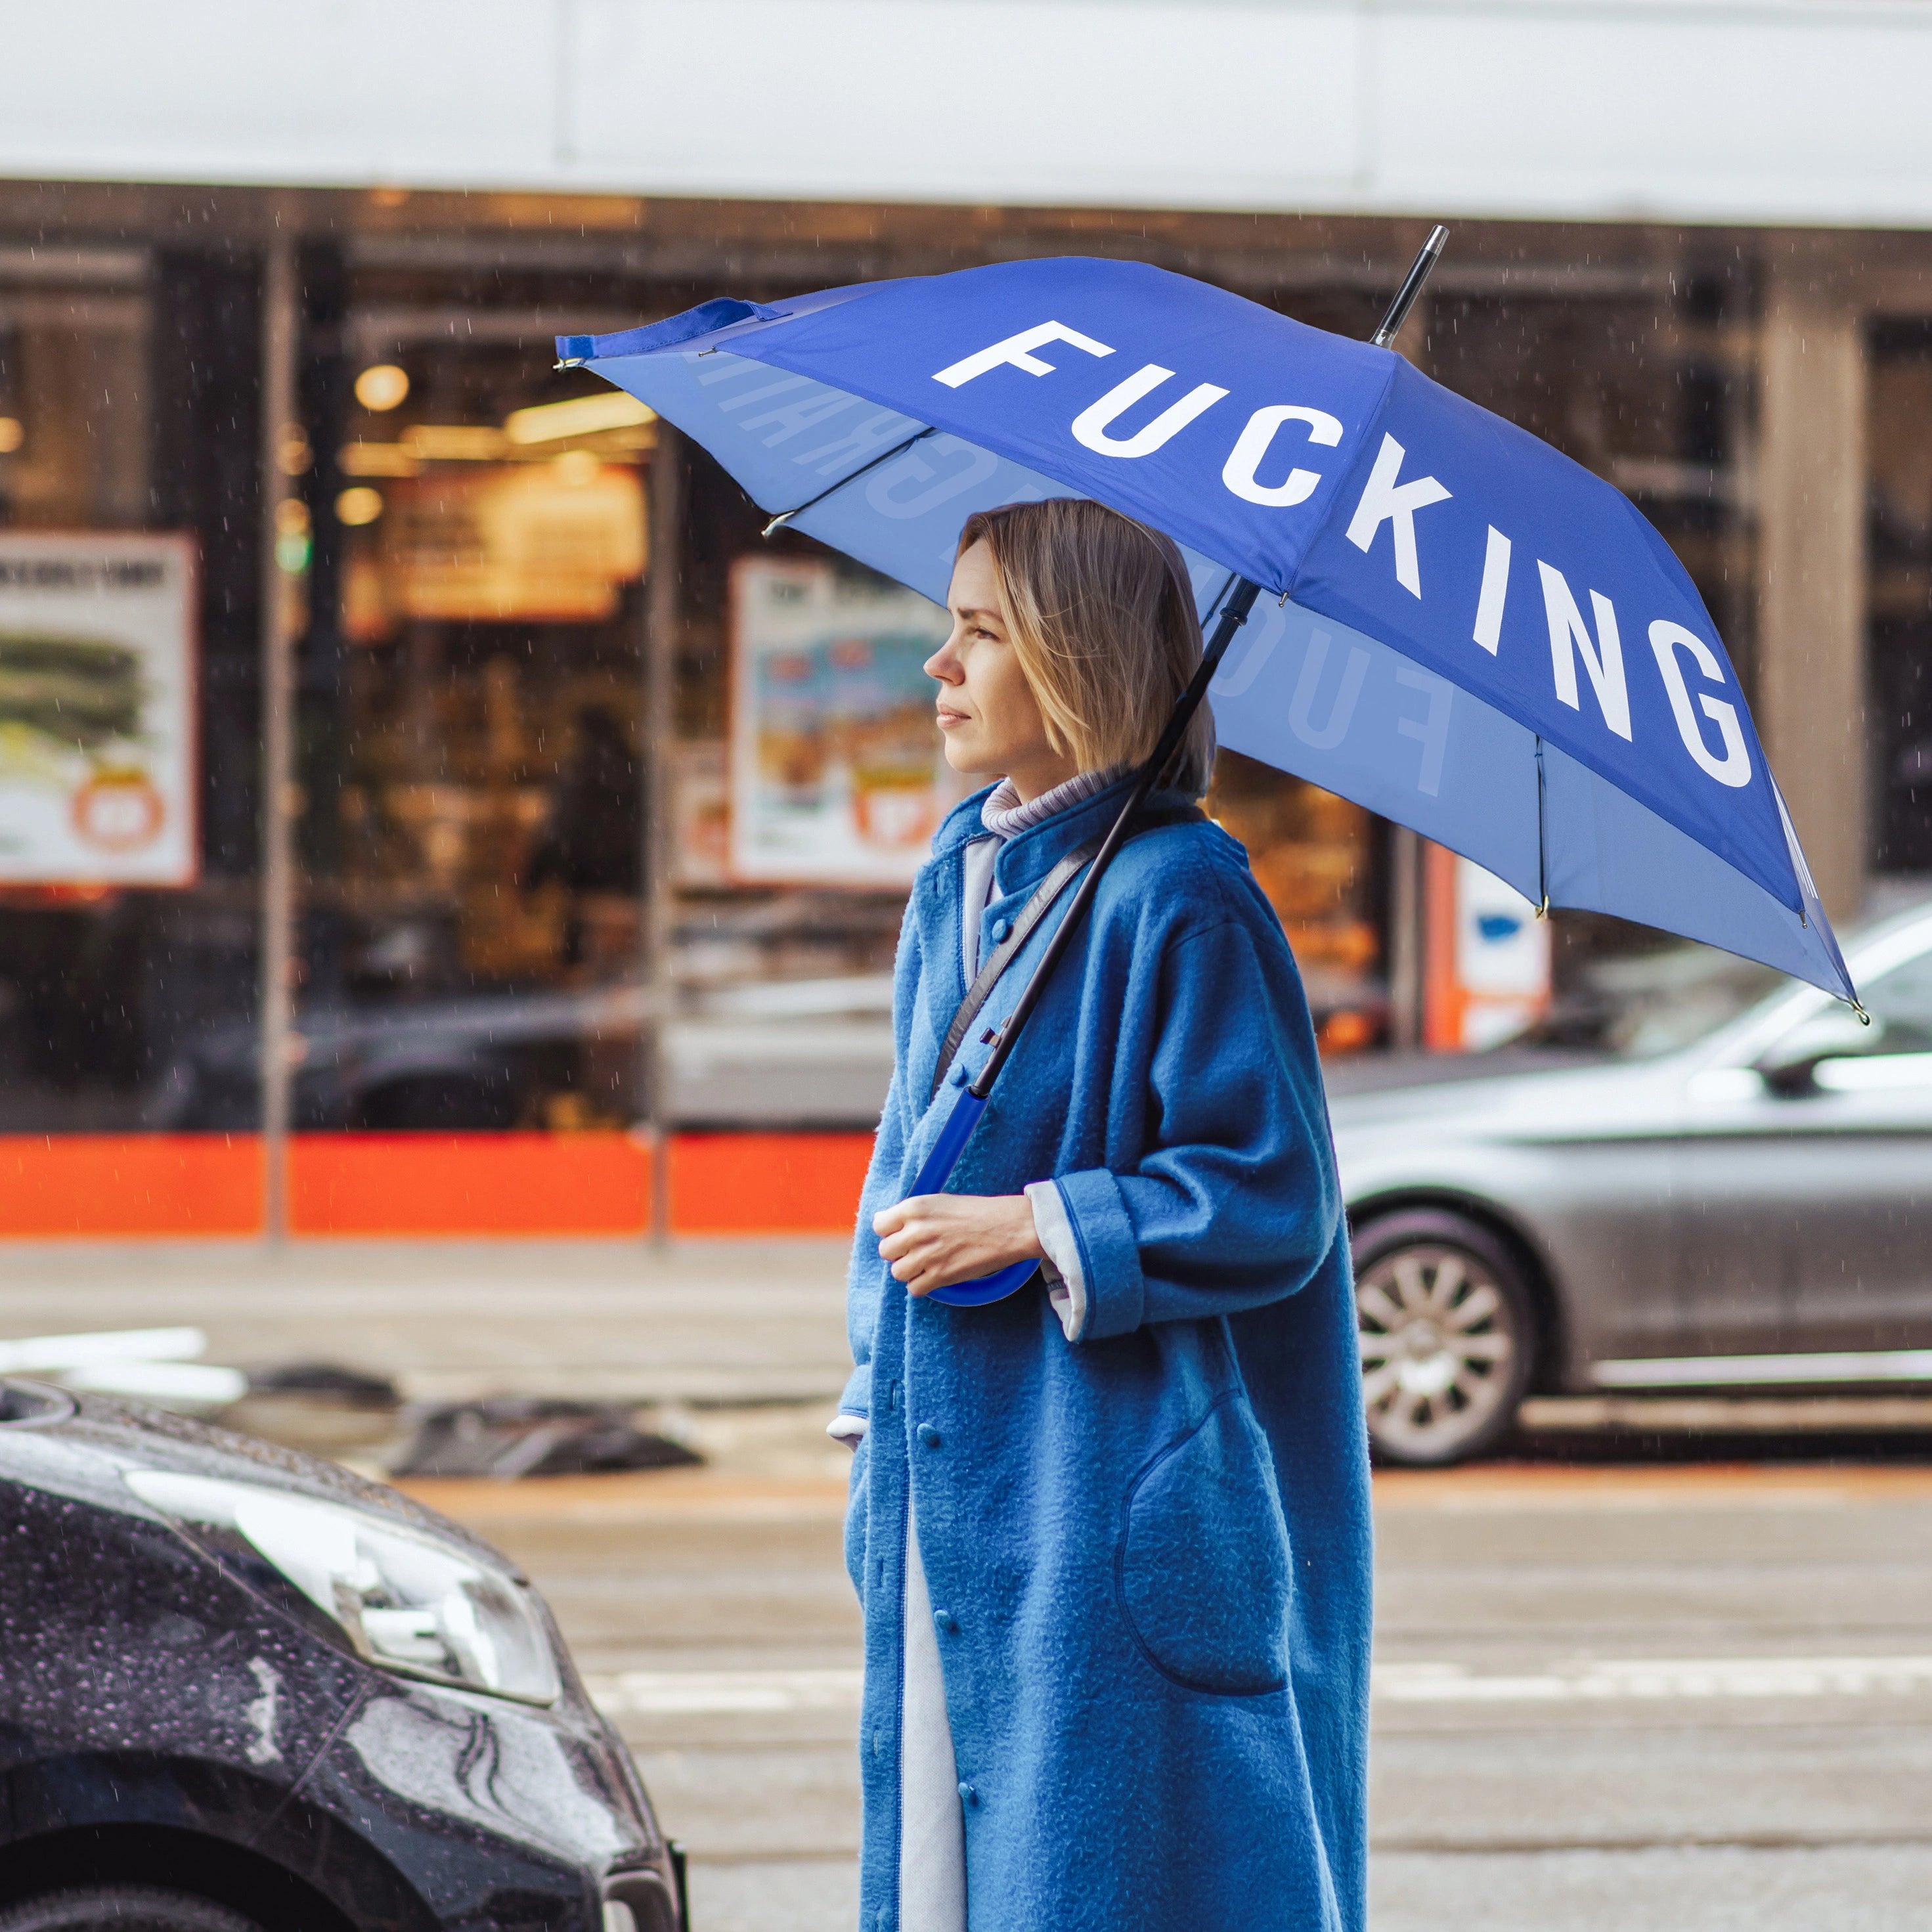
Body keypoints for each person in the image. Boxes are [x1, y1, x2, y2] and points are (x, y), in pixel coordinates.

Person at [833, 498, 1371, 1932]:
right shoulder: (958, 877)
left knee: (1105, 1870)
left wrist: (1036, 1227)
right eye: (950, 625)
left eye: (981, 632)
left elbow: (1275, 1196)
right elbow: (900, 1168)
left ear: (1074, 657)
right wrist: (869, 1405)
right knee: (954, 1857)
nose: (940, 664)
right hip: (951, 1469)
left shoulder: (1184, 893)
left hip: (1110, 1486)